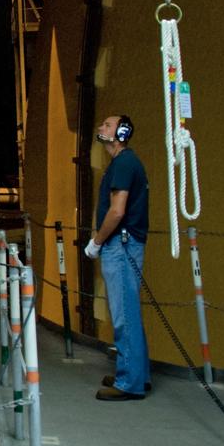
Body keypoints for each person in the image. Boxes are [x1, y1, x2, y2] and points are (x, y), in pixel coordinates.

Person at [84, 114, 151, 401]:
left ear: (121, 132)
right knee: (128, 313)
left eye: (107, 125)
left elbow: (117, 211)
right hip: (125, 245)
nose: (101, 127)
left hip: (120, 247)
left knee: (124, 315)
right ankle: (136, 373)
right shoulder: (122, 163)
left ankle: (129, 383)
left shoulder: (123, 163)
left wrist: (96, 242)